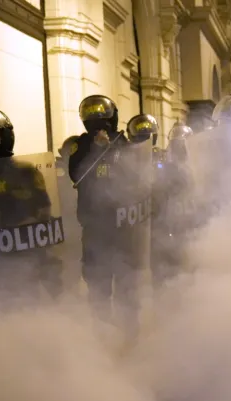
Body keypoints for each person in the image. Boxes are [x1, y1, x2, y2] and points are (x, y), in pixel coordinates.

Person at [68, 95, 149, 335]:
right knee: (98, 284)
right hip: (95, 230)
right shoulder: (81, 146)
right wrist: (95, 149)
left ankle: (130, 332)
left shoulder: (125, 145)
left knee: (127, 283)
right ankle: (102, 333)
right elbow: (75, 172)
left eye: (102, 121)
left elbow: (138, 177)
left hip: (124, 229)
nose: (98, 127)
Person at [0, 106, 62, 304]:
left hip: (25, 252)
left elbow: (44, 209)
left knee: (29, 303)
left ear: (5, 136)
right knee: (1, 305)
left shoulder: (26, 172)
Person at [151, 122, 199, 287]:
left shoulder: (198, 166)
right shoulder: (165, 167)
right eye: (176, 145)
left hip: (190, 222)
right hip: (171, 223)